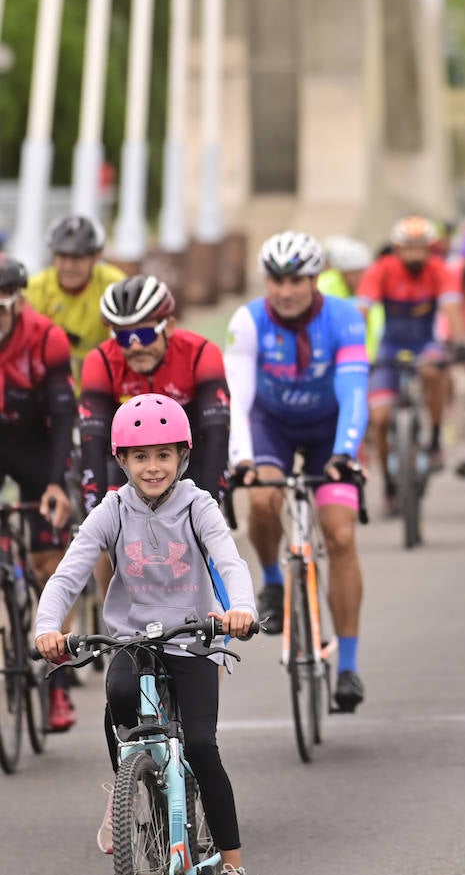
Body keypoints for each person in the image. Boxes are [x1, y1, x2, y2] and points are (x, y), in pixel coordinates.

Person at [34, 394, 256, 872]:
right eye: (140, 456)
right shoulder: (111, 511)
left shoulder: (199, 507)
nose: (152, 467)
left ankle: (234, 863)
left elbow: (228, 560)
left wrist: (240, 609)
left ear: (182, 456)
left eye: (163, 455)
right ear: (121, 460)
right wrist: (46, 628)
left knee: (200, 743)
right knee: (118, 691)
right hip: (132, 640)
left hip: (192, 637)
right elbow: (68, 574)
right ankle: (125, 792)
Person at [224, 231, 370, 712]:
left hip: (329, 427)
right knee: (263, 499)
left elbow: (353, 393)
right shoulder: (247, 321)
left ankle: (346, 666)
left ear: (314, 279)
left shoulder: (344, 317)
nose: (285, 291)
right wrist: (242, 458)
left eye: (297, 280)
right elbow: (238, 401)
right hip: (272, 426)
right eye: (276, 280)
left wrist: (345, 452)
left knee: (341, 534)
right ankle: (272, 578)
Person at [0, 256, 77, 728]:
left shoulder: (45, 336)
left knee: (51, 566)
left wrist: (55, 484)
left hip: (36, 446)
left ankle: (58, 686)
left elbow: (64, 418)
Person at [80, 276, 231, 512]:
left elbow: (217, 436)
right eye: (124, 337)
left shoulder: (201, 354)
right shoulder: (100, 362)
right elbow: (92, 443)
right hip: (126, 465)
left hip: (190, 460)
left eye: (145, 335)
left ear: (168, 326)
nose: (135, 346)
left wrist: (210, 510)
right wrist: (93, 517)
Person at [356, 216, 463, 504]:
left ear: (430, 248)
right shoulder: (381, 270)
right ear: (397, 248)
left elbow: (452, 309)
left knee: (434, 372)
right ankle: (389, 482)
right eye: (408, 248)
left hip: (424, 343)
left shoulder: (439, 270)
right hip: (390, 347)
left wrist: (458, 342)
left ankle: (436, 435)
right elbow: (362, 312)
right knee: (379, 418)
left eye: (421, 248)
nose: (415, 254)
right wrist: (354, 348)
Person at [24, 215, 126, 388]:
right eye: (62, 256)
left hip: (101, 384)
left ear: (96, 257)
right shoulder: (33, 289)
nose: (68, 266)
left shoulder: (114, 286)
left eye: (77, 258)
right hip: (47, 385)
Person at [319, 235, 385, 360]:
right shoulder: (324, 284)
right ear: (342, 273)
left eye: (362, 272)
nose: (359, 278)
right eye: (353, 273)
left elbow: (377, 328)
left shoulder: (373, 288)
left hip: (367, 359)